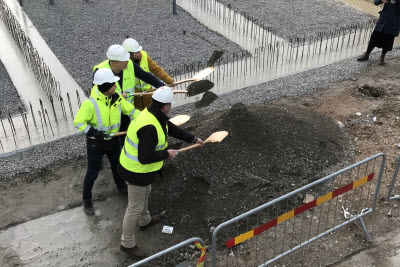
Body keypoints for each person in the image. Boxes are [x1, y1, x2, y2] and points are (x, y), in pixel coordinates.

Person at [118, 86, 204, 258]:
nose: (171, 108)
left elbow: (171, 129)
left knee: (146, 192)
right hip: (135, 171)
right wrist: (167, 154)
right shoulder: (149, 126)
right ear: (165, 106)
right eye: (170, 105)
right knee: (134, 207)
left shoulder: (153, 114)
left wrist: (193, 138)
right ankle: (126, 243)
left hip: (142, 171)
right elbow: (144, 157)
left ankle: (145, 220)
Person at [74, 69, 139, 216]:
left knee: (118, 166)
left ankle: (121, 187)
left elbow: (131, 111)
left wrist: (143, 120)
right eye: (113, 84)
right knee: (92, 173)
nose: (116, 86)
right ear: (105, 86)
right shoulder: (90, 104)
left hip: (113, 140)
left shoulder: (116, 98)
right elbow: (78, 122)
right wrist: (95, 133)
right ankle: (87, 200)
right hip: (96, 144)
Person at [93, 45, 165, 141]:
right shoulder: (100, 71)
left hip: (126, 111)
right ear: (116, 62)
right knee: (112, 141)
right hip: (111, 114)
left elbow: (146, 76)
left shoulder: (130, 65)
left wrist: (162, 87)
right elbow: (97, 95)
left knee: (125, 139)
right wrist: (115, 97)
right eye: (125, 59)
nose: (128, 60)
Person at [122, 38, 176, 110]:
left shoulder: (144, 57)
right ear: (129, 54)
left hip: (148, 96)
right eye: (137, 52)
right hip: (134, 98)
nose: (140, 53)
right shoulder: (123, 65)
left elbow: (156, 70)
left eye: (139, 51)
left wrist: (169, 81)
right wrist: (135, 92)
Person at [357, 0, 400, 65]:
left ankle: (382, 58)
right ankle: (366, 55)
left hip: (394, 22)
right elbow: (375, 2)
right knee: (373, 38)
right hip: (383, 20)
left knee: (388, 41)